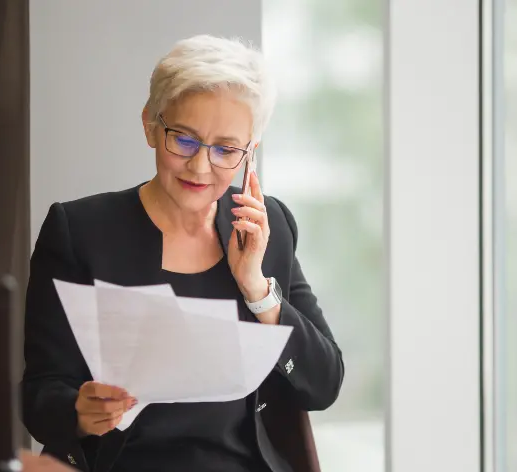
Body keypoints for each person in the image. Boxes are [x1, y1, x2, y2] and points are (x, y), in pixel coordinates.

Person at [22, 34, 344, 472]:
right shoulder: (79, 231)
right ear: (151, 127)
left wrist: (257, 288)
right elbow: (40, 394)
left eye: (226, 149)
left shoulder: (267, 226)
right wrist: (78, 411)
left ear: (250, 152)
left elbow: (323, 386)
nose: (200, 166)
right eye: (184, 140)